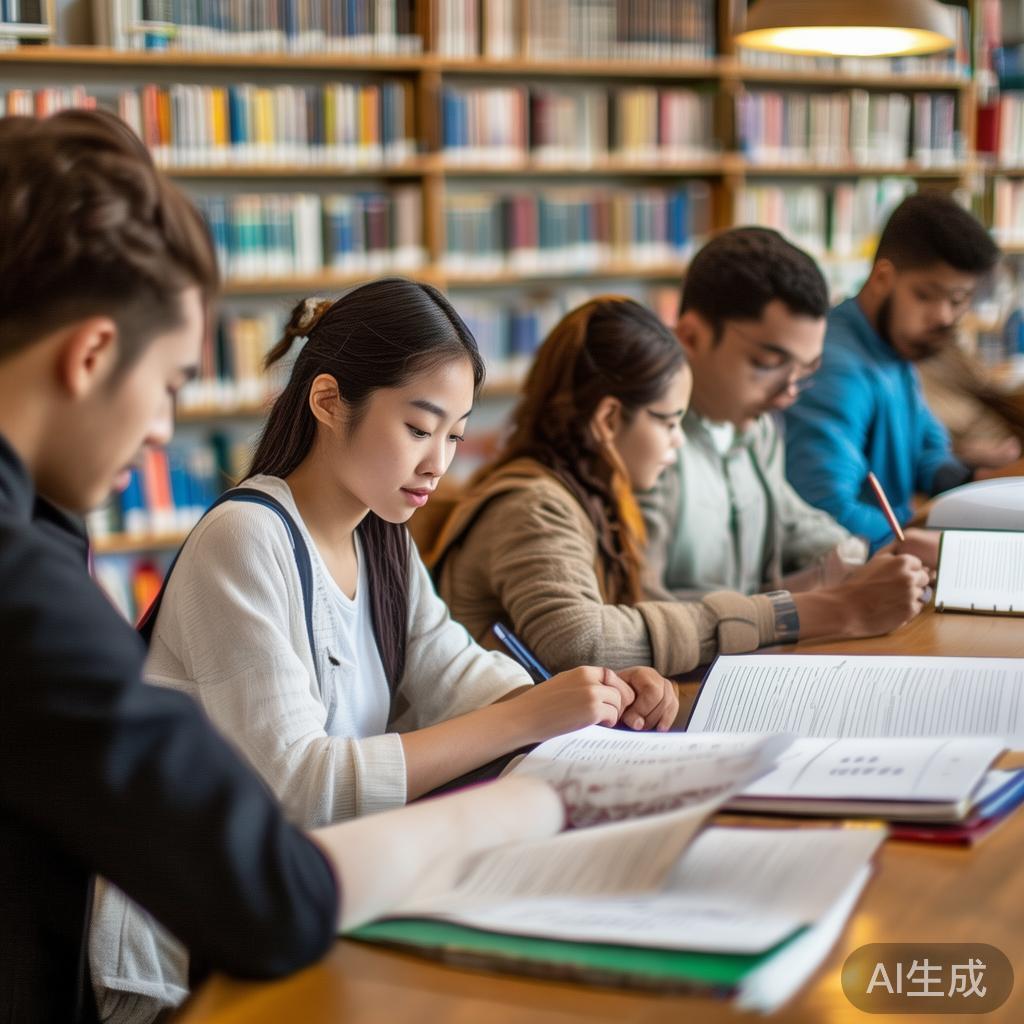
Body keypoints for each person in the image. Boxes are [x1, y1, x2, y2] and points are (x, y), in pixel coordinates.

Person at [0, 108, 571, 1024]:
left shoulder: (43, 532)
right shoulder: (45, 571)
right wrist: (524, 801)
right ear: (92, 354)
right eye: (173, 385)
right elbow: (277, 878)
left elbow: (450, 672)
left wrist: (578, 702)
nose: (158, 432)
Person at [91, 277, 665, 1023]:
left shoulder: (379, 535)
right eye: (420, 428)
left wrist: (599, 695)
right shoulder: (246, 538)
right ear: (328, 401)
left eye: (455, 435)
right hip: (186, 958)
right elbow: (300, 784)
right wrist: (532, 716)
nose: (439, 464)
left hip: (303, 901)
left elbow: (456, 674)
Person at [430, 296, 930, 681]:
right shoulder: (534, 505)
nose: (676, 442)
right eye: (669, 423)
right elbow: (582, 640)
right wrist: (820, 611)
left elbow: (628, 621)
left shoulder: (593, 497)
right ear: (608, 419)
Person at [640, 227, 938, 624]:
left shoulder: (757, 427)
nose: (788, 394)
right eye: (768, 365)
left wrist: (868, 557)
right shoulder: (649, 449)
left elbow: (792, 518)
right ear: (691, 338)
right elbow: (643, 613)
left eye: (806, 371)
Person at [784, 192, 1010, 550]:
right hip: (855, 576)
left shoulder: (894, 346)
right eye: (926, 295)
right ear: (883, 278)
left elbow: (925, 448)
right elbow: (824, 510)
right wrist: (922, 545)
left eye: (957, 300)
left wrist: (972, 478)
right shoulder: (835, 370)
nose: (944, 317)